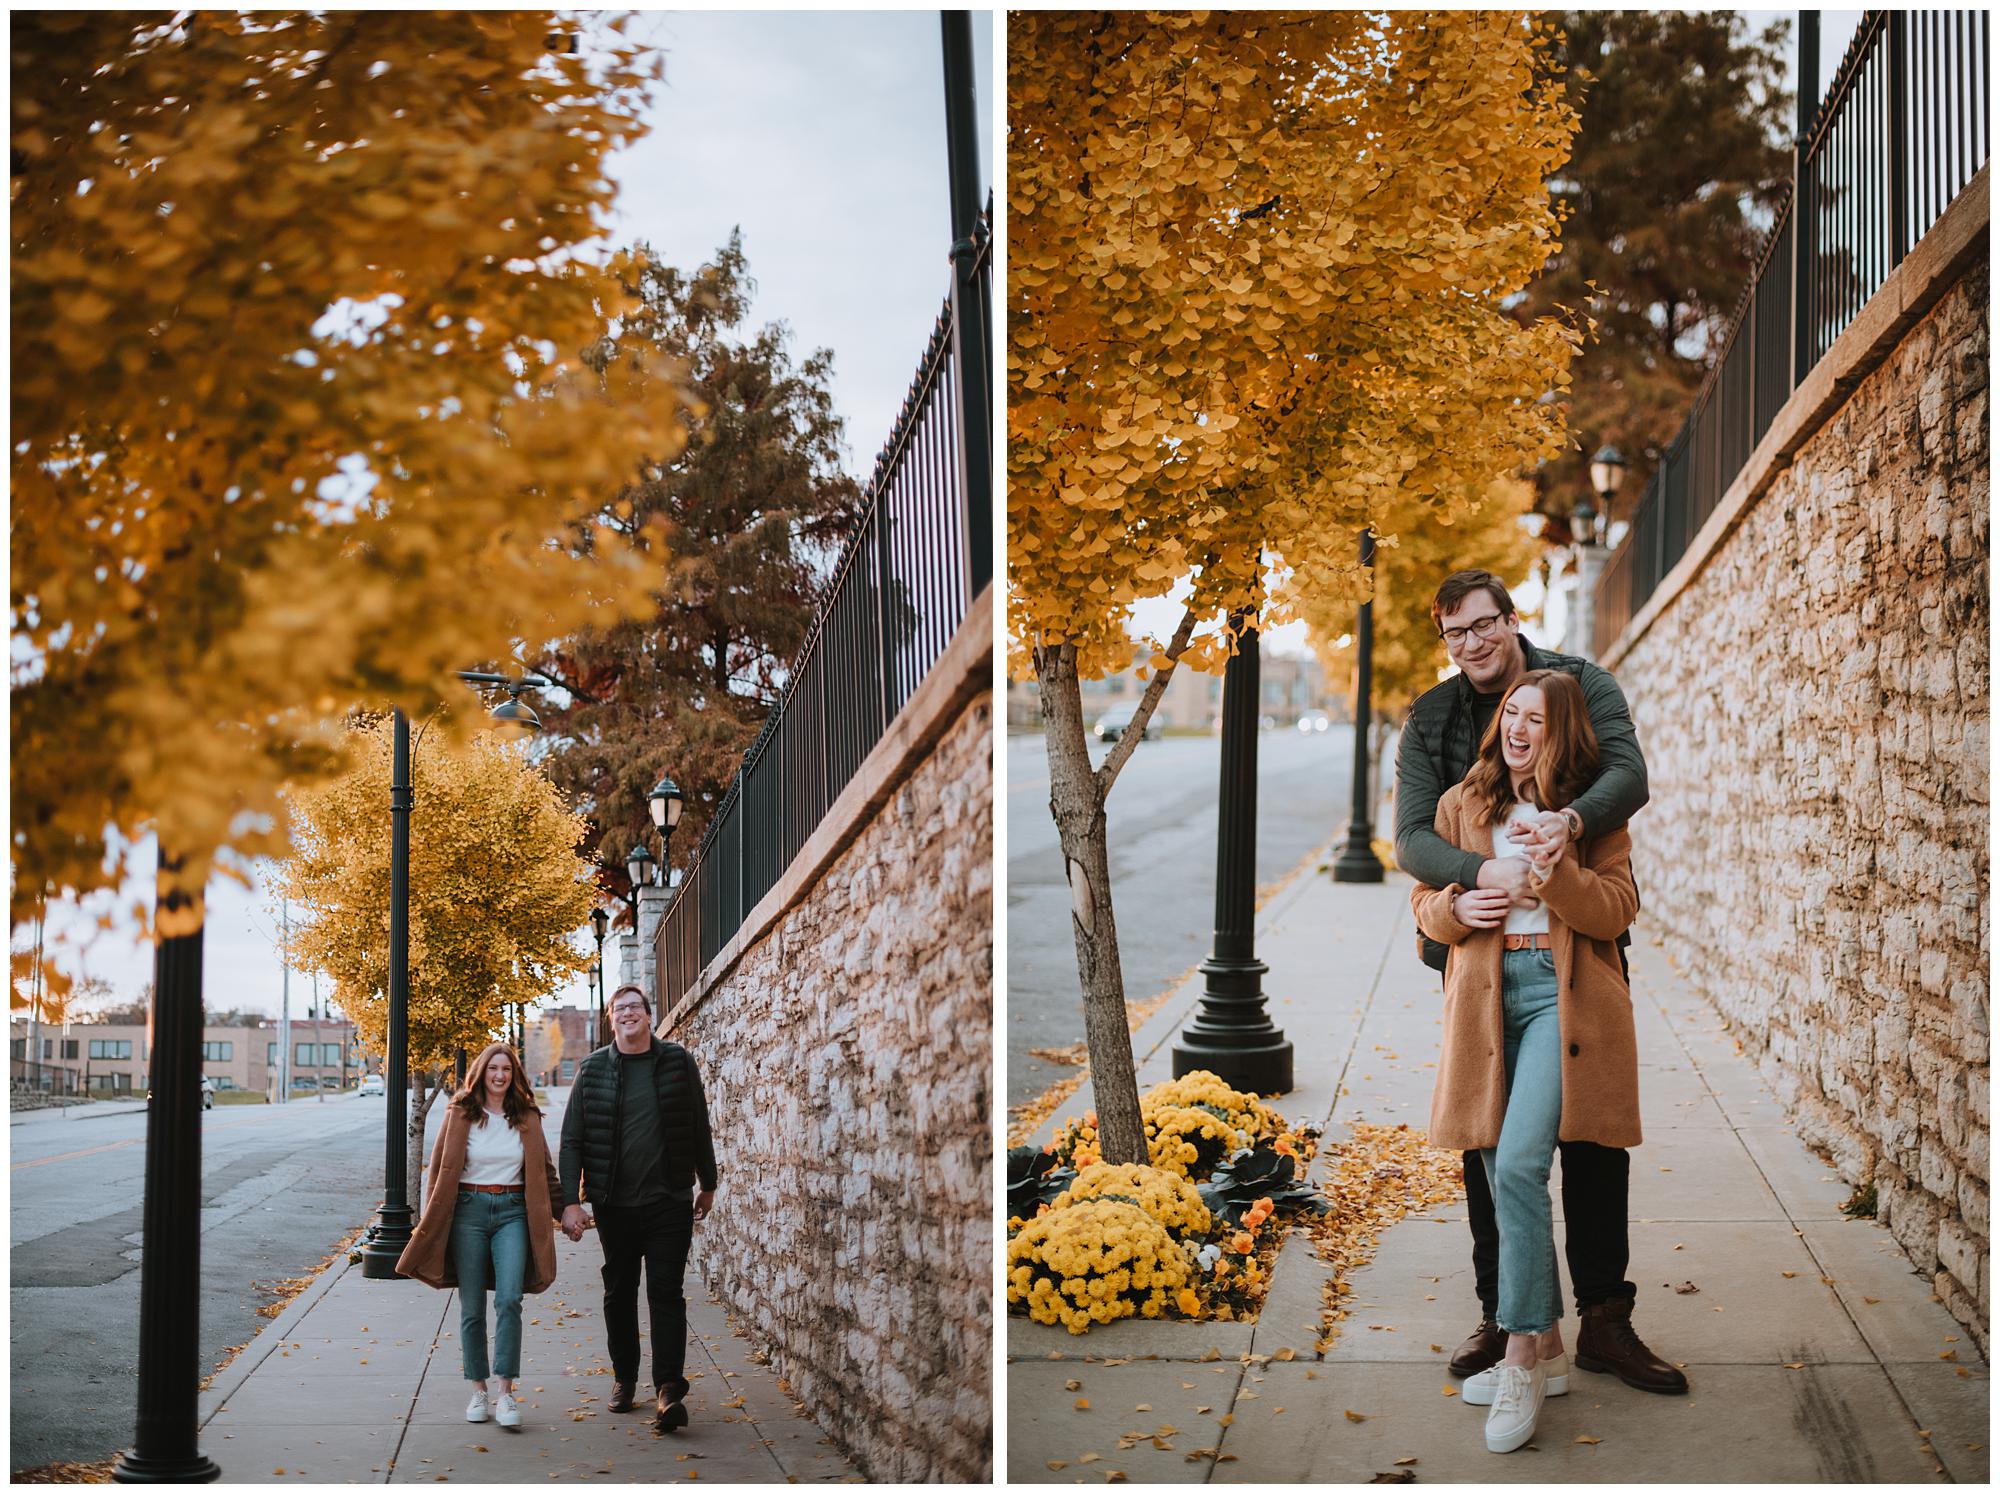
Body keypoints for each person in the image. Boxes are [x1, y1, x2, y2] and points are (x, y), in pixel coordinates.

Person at [1393, 569, 1684, 1397]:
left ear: (1511, 621)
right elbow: (1414, 838)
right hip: (1482, 957)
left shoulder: (1577, 685)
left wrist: (1567, 828)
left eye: (1484, 626)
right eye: (1455, 634)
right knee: (1492, 1145)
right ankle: (1507, 1313)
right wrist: (1480, 877)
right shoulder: (1434, 717)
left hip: (1577, 956)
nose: (1472, 644)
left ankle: (1603, 1317)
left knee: (1589, 1141)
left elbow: (1627, 779)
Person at [1412, 669, 1643, 1452]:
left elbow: (1616, 910)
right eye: (1511, 712)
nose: (1518, 728)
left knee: (1517, 1166)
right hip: (1482, 996)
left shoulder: (1588, 819)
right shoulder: (1463, 804)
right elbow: (1421, 900)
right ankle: (1546, 1345)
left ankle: (1518, 1355)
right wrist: (1456, 905)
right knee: (1491, 1160)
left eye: (1536, 718)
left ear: (1562, 731)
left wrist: (1561, 864)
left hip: (1560, 994)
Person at [559, 983, 718, 1434]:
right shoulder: (591, 1071)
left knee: (666, 1291)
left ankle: (668, 1389)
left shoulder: (676, 1062)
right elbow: (572, 1141)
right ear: (612, 1020)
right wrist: (570, 1201)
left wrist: (708, 1183)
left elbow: (697, 1123)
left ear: (650, 1015)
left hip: (669, 1199)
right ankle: (625, 1379)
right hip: (614, 1205)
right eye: (619, 1008)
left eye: (635, 1007)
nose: (627, 1013)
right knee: (620, 1291)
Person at [397, 1042, 565, 1430]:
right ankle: (479, 1390)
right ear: (481, 1072)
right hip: (468, 1214)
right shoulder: (459, 1114)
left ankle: (505, 1393)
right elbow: (437, 1171)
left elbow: (545, 1173)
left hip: (512, 1213)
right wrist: (432, 1224)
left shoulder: (526, 1116)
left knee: (509, 1299)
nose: (500, 1075)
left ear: (514, 1074)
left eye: (507, 1069)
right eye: (494, 1068)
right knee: (472, 1307)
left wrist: (566, 1212)